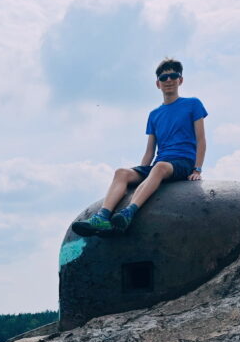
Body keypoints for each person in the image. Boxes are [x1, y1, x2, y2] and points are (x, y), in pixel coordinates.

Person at [72, 59, 207, 235]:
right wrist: (142, 173)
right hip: (159, 166)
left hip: (182, 162)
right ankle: (102, 217)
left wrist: (197, 169)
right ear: (157, 84)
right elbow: (150, 151)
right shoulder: (154, 114)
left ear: (180, 80)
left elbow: (201, 139)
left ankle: (128, 212)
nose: (169, 80)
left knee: (159, 167)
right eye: (164, 77)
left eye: (173, 76)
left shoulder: (193, 104)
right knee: (122, 172)